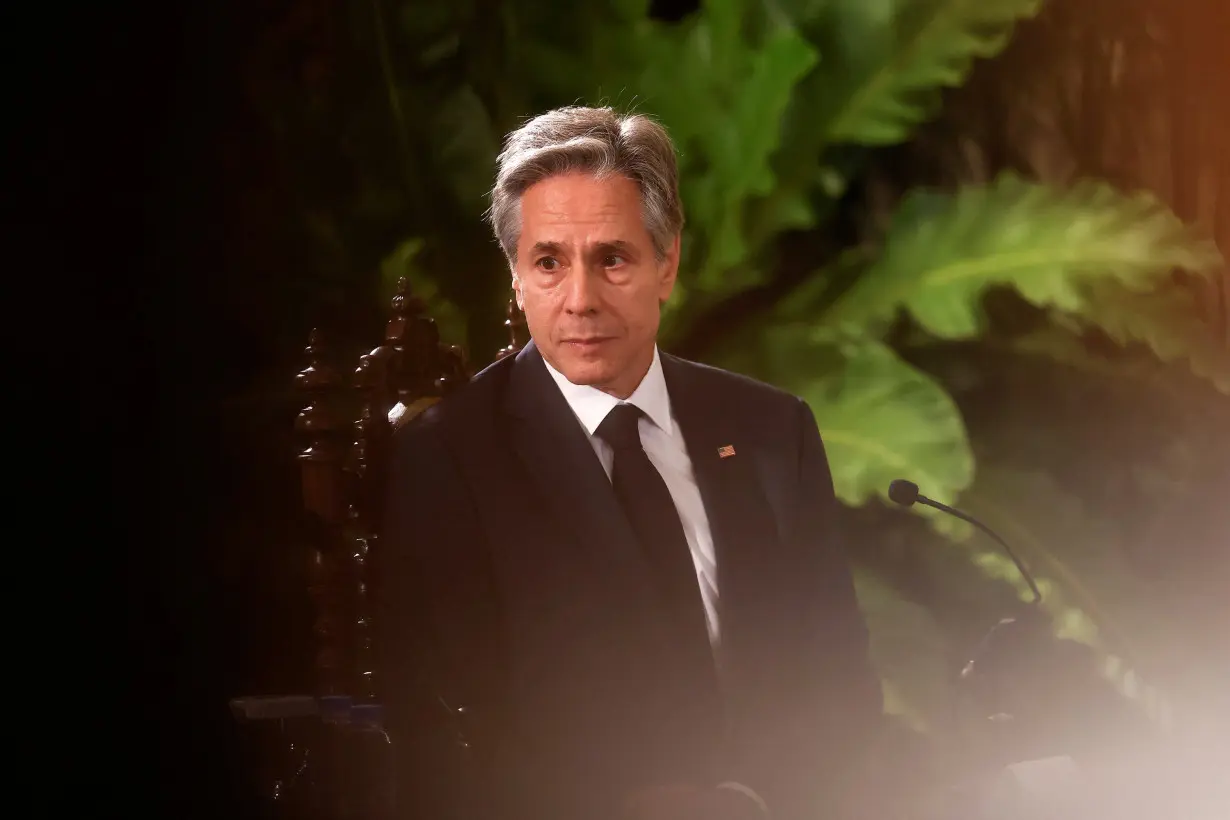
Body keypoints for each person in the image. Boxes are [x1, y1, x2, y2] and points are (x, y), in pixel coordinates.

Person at [377, 106, 883, 820]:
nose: (580, 300)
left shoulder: (772, 431)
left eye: (611, 259)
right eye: (549, 263)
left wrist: (763, 802)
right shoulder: (452, 458)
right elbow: (447, 735)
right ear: (515, 277)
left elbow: (840, 685)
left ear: (666, 263)